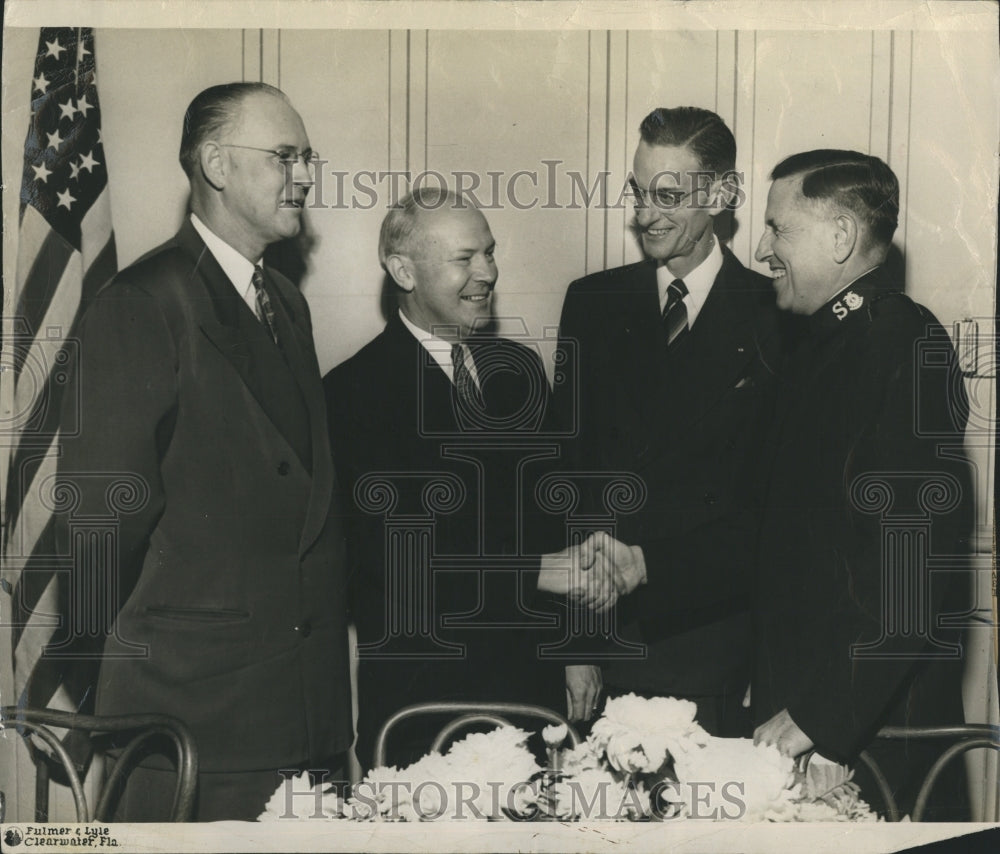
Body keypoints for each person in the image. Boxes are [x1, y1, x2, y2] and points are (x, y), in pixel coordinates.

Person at [54, 82, 352, 820]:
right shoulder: (143, 302)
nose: (306, 176)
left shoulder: (286, 301)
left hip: (303, 718)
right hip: (192, 726)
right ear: (216, 164)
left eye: (307, 157)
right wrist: (106, 685)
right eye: (284, 156)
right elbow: (97, 525)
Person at [325, 189, 610, 771]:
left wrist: (576, 645)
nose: (487, 273)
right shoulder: (354, 392)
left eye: (490, 253)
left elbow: (563, 510)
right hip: (424, 705)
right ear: (403, 270)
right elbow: (394, 556)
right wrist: (533, 573)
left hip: (534, 697)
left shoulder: (520, 371)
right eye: (465, 258)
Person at [750, 149, 973, 819]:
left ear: (841, 235)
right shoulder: (823, 345)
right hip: (813, 725)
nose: (762, 250)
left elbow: (911, 568)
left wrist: (820, 717)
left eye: (777, 229)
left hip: (867, 740)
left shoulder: (903, 346)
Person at [553, 106, 782, 736]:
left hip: (717, 645)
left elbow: (772, 510)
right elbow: (567, 477)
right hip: (607, 637)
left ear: (721, 195)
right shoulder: (592, 303)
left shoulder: (777, 315)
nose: (646, 213)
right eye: (638, 190)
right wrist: (575, 642)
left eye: (669, 195)